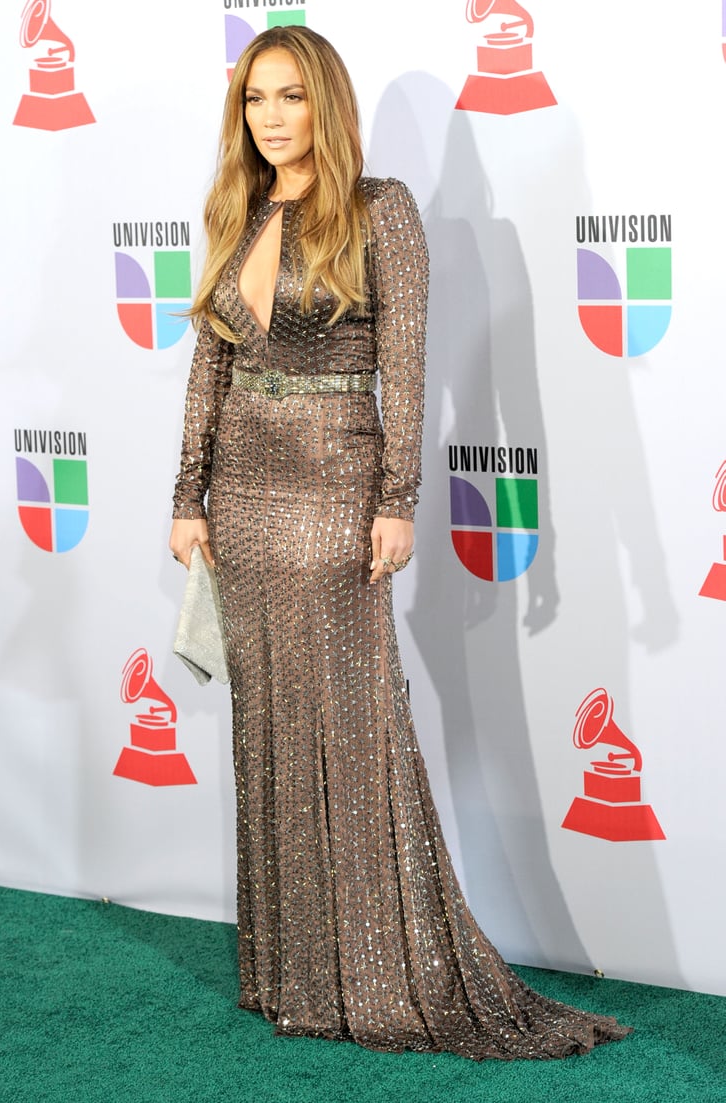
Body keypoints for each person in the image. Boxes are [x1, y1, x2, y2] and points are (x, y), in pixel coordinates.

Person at [169, 25, 630, 1059]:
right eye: (255, 100)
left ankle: (377, 971)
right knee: (268, 728)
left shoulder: (382, 209)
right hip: (240, 491)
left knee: (349, 724)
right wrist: (185, 493)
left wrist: (396, 498)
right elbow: (210, 365)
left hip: (335, 480)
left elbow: (410, 369)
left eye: (290, 97)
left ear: (326, 103)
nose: (271, 118)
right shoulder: (235, 209)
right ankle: (290, 970)